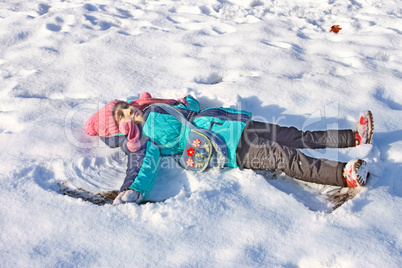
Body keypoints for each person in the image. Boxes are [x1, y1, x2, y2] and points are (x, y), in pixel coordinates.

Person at [84, 92, 373, 205]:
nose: (126, 113)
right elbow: (141, 164)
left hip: (234, 125)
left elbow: (189, 110)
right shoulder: (140, 140)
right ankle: (343, 175)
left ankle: (353, 137)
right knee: (284, 157)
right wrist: (132, 189)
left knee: (294, 136)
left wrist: (187, 102)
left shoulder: (156, 107)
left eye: (123, 108)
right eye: (119, 116)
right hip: (225, 148)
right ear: (118, 130)